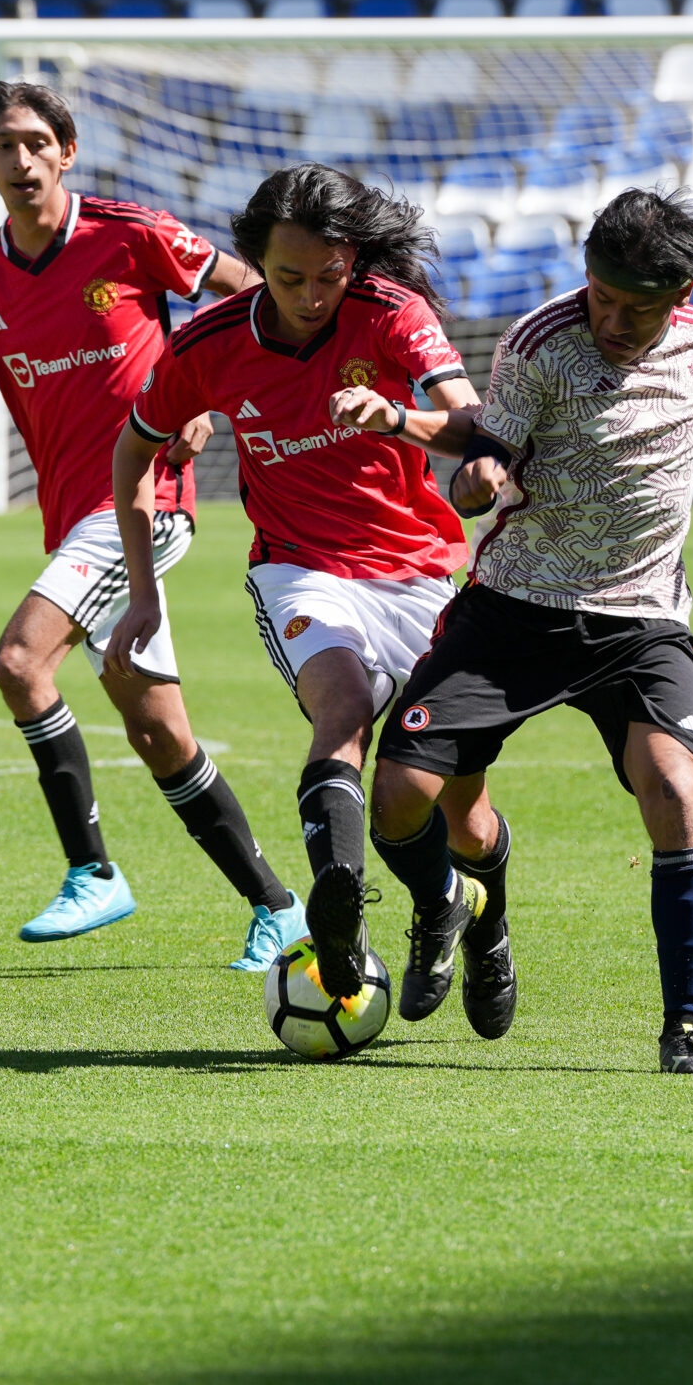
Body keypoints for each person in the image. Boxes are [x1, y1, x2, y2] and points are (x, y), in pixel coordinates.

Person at [365, 189, 693, 1076]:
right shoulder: (539, 342)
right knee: (398, 796)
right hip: (516, 608)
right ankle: (460, 907)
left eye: (637, 308)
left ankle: (685, 1030)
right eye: (602, 297)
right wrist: (476, 480)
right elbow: (492, 450)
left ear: (682, 294)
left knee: (676, 789)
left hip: (643, 621)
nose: (613, 321)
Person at [0, 81, 291, 964]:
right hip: (75, 517)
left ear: (67, 151)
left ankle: (94, 871)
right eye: (5, 145)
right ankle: (279, 907)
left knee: (18, 661)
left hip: (145, 501)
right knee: (159, 732)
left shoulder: (130, 233)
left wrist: (206, 398)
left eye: (38, 142)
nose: (23, 159)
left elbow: (257, 295)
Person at [106, 164, 521, 1010]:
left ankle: (474, 914)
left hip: (422, 573)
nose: (309, 296)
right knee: (342, 709)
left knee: (463, 813)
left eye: (328, 276)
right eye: (287, 276)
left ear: (353, 260)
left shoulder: (392, 310)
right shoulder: (208, 343)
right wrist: (143, 591)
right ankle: (342, 915)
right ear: (255, 261)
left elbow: (474, 420)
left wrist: (402, 420)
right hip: (300, 567)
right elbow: (132, 452)